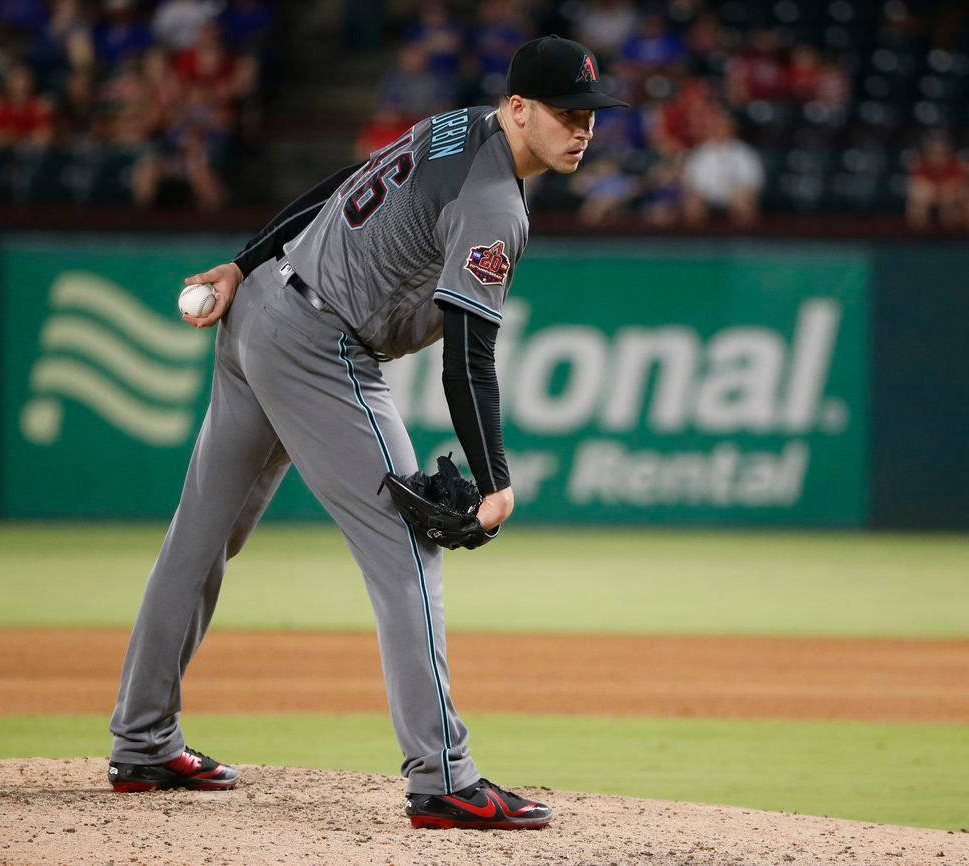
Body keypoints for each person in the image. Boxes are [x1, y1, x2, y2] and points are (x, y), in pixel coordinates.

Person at [105, 35, 627, 831]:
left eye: (590, 114)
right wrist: (495, 481)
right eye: (565, 112)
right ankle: (444, 777)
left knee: (200, 536)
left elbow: (335, 188)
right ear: (518, 108)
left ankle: (142, 740)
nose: (582, 128)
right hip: (321, 346)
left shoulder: (456, 126)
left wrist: (246, 263)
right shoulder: (493, 202)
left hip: (262, 315)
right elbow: (467, 356)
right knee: (409, 551)